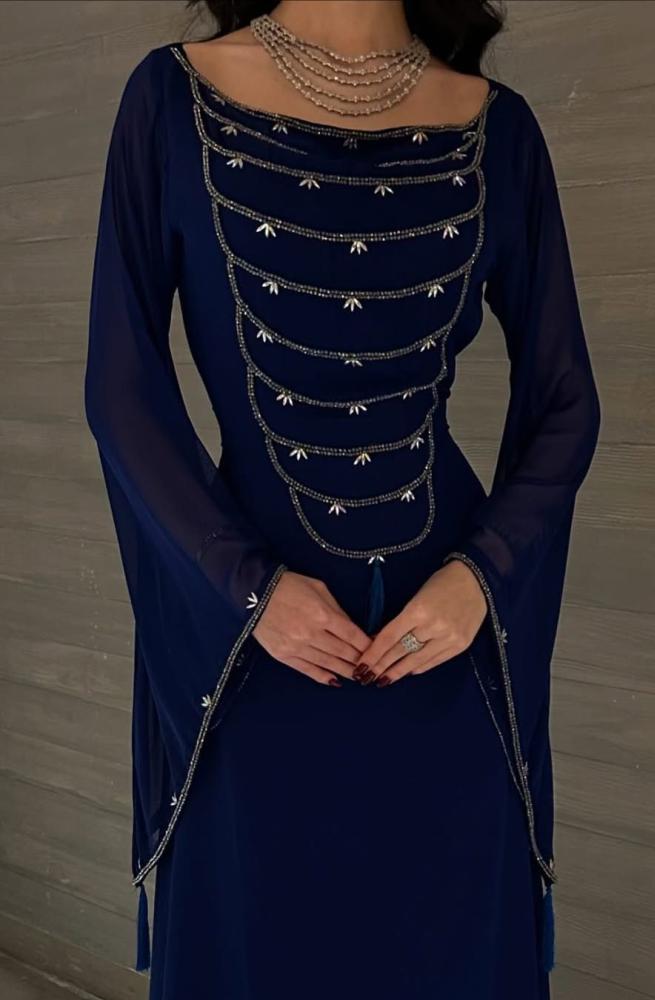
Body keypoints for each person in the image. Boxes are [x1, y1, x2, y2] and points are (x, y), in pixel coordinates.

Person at [83, 1, 601, 997]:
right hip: (252, 658)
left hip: (442, 655)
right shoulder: (170, 99)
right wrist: (248, 587)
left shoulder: (496, 129)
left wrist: (481, 578)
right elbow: (122, 390)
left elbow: (565, 402)